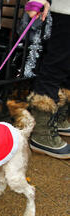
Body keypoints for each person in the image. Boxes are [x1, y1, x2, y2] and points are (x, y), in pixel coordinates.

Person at [25, 0, 70, 159]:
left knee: (65, 67)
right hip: (64, 11)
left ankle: (58, 118)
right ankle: (41, 132)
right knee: (55, 66)